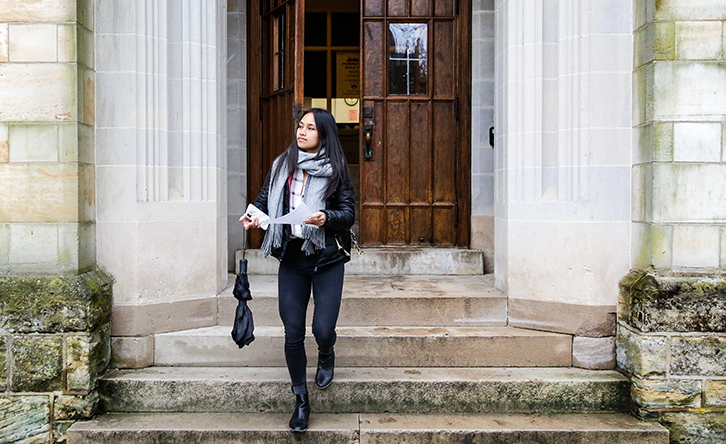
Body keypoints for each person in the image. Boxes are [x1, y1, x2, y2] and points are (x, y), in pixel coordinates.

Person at [241, 108, 355, 432]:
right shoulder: (282, 165)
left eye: (310, 128)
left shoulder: (336, 170)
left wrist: (325, 218)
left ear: (324, 135)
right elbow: (263, 201)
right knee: (292, 332)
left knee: (321, 328)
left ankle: (327, 351)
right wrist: (253, 216)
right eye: (300, 126)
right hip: (292, 259)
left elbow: (348, 213)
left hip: (327, 259)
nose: (301, 132)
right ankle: (301, 399)